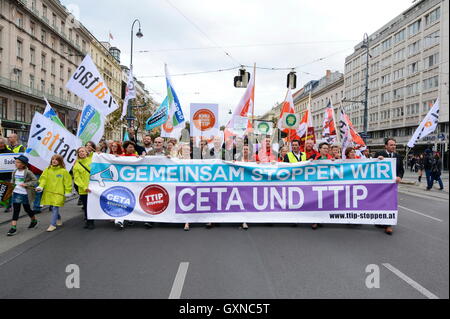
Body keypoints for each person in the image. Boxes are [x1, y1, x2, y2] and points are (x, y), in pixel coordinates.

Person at [374, 138, 404, 235]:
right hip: (380, 185)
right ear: (386, 146)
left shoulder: (398, 156)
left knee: (390, 203)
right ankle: (380, 221)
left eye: (394, 145)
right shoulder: (379, 154)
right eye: (391, 145)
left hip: (392, 185)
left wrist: (399, 176)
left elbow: (401, 169)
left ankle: (388, 225)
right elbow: (372, 166)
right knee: (380, 202)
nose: (393, 147)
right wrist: (378, 159)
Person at [36, 155, 73, 232]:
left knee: (55, 207)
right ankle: (58, 218)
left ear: (60, 161)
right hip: (49, 192)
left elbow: (68, 182)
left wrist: (68, 191)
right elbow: (43, 179)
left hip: (59, 193)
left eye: (56, 159)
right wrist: (41, 186)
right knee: (53, 207)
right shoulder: (47, 170)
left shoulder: (63, 171)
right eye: (53, 159)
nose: (54, 161)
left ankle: (52, 225)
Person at [6, 155, 38, 236]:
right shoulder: (14, 171)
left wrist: (26, 184)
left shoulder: (28, 172)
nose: (16, 163)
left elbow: (35, 180)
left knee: (27, 209)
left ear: (23, 164)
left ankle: (34, 221)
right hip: (16, 193)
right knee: (16, 210)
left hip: (25, 194)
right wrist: (10, 186)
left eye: (18, 162)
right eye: (15, 162)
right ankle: (13, 228)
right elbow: (13, 181)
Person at [73, 147, 94, 229]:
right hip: (84, 189)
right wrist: (84, 187)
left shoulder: (92, 160)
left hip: (93, 188)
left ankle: (91, 221)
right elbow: (77, 178)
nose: (81, 153)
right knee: (86, 206)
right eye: (79, 152)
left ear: (86, 152)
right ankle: (88, 221)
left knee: (92, 205)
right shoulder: (76, 165)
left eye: (83, 151)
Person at [178, 143, 192, 231]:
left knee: (188, 202)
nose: (185, 151)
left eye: (187, 150)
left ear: (190, 151)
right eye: (183, 150)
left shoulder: (195, 161)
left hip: (190, 184)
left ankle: (187, 222)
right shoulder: (176, 160)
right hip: (178, 183)